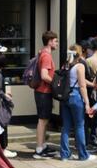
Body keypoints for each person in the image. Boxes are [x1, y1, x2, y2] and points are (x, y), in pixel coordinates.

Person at [59, 45, 93, 161]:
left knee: (66, 127)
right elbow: (82, 85)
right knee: (79, 126)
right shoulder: (79, 66)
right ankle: (83, 155)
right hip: (76, 97)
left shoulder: (66, 65)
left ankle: (64, 154)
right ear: (79, 54)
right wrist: (87, 103)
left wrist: (92, 84)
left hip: (65, 97)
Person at [32, 30, 59, 158]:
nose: (57, 43)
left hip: (42, 92)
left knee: (44, 119)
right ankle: (39, 149)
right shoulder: (46, 56)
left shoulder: (42, 53)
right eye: (55, 41)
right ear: (49, 42)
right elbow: (44, 75)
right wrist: (56, 83)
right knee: (42, 120)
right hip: (43, 92)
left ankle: (42, 145)